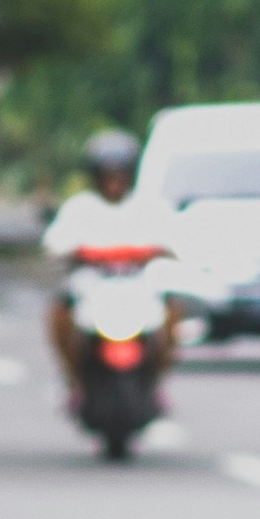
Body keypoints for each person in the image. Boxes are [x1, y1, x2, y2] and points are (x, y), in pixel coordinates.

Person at [40, 127, 155, 376]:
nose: (114, 184)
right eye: (107, 177)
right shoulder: (80, 208)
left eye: (120, 176)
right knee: (60, 310)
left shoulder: (147, 207)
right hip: (93, 286)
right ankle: (75, 376)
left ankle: (156, 377)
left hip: (136, 286)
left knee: (172, 309)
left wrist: (159, 252)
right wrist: (74, 252)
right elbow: (54, 242)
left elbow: (174, 239)